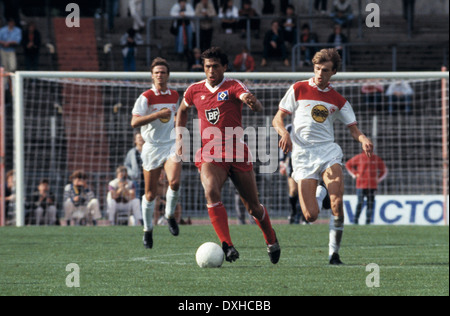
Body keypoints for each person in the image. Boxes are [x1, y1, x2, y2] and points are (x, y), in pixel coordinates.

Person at [175, 47, 281, 264]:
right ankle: (227, 244)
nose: (211, 70)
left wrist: (253, 103)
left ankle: (270, 238)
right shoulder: (194, 90)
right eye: (207, 67)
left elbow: (254, 104)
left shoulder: (233, 85)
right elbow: (182, 110)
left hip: (236, 151)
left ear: (224, 67)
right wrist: (179, 137)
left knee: (253, 207)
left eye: (215, 66)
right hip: (210, 153)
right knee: (211, 191)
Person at [272, 48, 373, 265]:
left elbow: (353, 129)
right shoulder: (298, 88)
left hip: (328, 152)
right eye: (317, 69)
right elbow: (277, 119)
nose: (319, 74)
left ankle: (334, 254)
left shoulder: (338, 100)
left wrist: (363, 138)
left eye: (325, 70)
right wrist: (284, 133)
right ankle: (320, 193)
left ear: (333, 72)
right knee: (310, 216)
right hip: (302, 155)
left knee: (337, 202)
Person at [131, 57, 182, 249]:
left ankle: (169, 215)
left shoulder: (175, 95)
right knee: (150, 194)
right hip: (151, 147)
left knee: (175, 182)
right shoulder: (146, 97)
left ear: (168, 75)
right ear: (152, 76)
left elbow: (177, 117)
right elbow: (134, 122)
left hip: (170, 144)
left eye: (163, 72)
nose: (160, 75)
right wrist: (157, 115)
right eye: (156, 73)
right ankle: (148, 229)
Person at [345, 151, 387, 224]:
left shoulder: (376, 158)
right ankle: (355, 221)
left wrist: (378, 178)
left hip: (372, 185)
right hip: (361, 185)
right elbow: (348, 164)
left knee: (370, 204)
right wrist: (355, 174)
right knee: (360, 202)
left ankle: (368, 222)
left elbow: (383, 170)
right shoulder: (359, 157)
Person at [124, 132, 145, 200]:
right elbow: (126, 165)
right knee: (136, 198)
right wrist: (132, 173)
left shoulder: (148, 151)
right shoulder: (132, 152)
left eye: (142, 137)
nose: (140, 139)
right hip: (136, 180)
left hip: (146, 178)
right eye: (138, 138)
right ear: (135, 140)